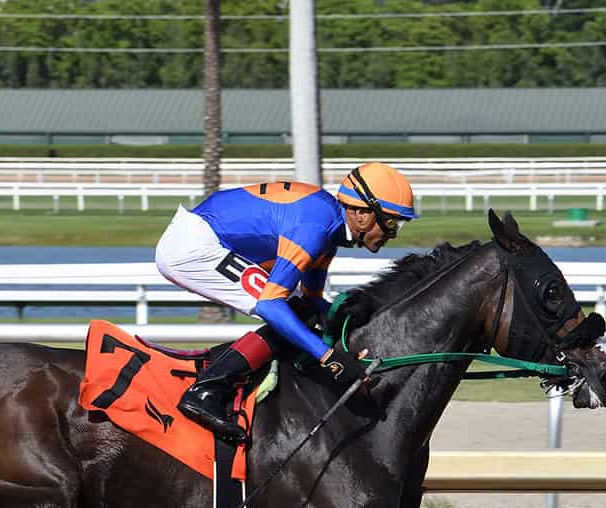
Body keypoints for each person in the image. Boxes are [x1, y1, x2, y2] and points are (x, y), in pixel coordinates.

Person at [154, 162, 416, 442]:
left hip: (205, 236)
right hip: (192, 247)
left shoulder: (329, 225)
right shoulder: (317, 227)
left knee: (298, 312)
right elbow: (271, 305)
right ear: (362, 214)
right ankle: (206, 392)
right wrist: (328, 357)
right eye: (390, 222)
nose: (393, 233)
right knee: (285, 312)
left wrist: (349, 321)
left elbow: (312, 300)